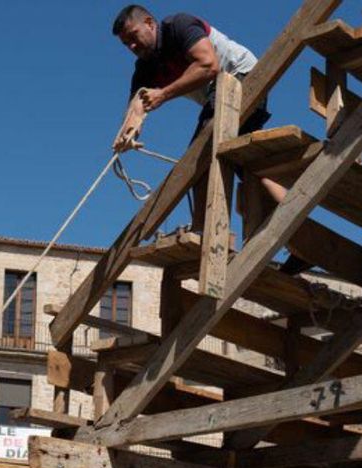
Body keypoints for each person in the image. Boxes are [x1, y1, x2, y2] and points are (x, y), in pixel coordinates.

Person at [109, 6, 310, 274]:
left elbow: (208, 65)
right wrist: (126, 134)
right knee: (249, 168)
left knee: (199, 155)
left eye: (133, 36)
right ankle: (304, 241)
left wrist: (163, 94)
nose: (132, 45)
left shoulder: (178, 27)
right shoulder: (145, 66)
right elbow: (136, 107)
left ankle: (204, 231)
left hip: (245, 79)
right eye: (126, 43)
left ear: (149, 23)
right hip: (220, 94)